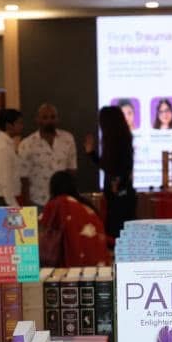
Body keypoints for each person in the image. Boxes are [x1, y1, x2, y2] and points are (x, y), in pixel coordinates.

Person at [41, 171, 108, 266]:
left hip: (72, 262)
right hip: (99, 259)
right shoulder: (86, 205)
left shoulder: (56, 204)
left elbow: (43, 228)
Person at [18, 102, 78, 206]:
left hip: (62, 201)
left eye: (53, 117)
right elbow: (23, 177)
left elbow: (71, 170)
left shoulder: (68, 139)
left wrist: (70, 196)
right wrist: (27, 203)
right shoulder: (27, 144)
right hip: (37, 200)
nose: (49, 120)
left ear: (57, 119)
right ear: (37, 119)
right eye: (45, 117)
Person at [99, 104, 136, 239]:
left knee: (118, 233)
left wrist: (118, 185)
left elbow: (124, 169)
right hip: (117, 195)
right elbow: (109, 167)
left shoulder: (121, 142)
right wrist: (91, 154)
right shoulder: (113, 143)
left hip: (120, 196)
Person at [0, 107, 23, 206]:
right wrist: (15, 208)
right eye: (19, 123)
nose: (22, 126)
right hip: (3, 200)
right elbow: (5, 181)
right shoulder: (3, 148)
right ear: (9, 126)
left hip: (2, 199)